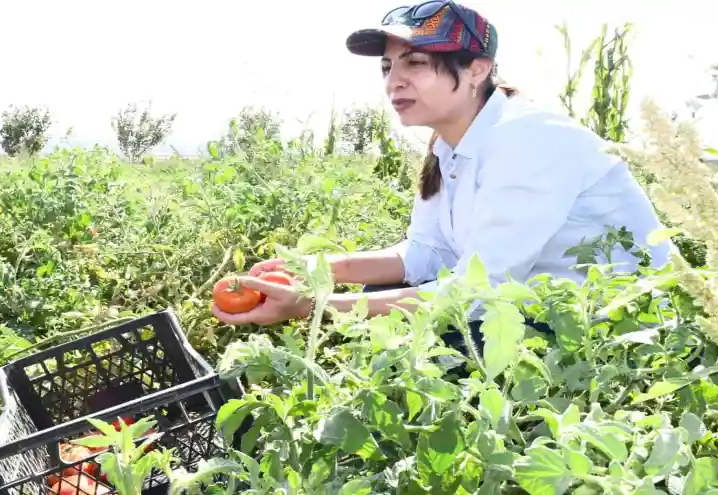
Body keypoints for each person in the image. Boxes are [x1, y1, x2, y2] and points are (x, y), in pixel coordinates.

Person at [210, 0, 673, 345]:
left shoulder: (527, 139)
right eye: (388, 67)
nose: (394, 81)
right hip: (536, 304)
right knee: (384, 292)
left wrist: (315, 307)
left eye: (415, 63)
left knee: (447, 333)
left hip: (619, 327)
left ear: (476, 70)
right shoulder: (448, 145)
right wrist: (313, 270)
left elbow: (478, 292)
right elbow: (426, 252)